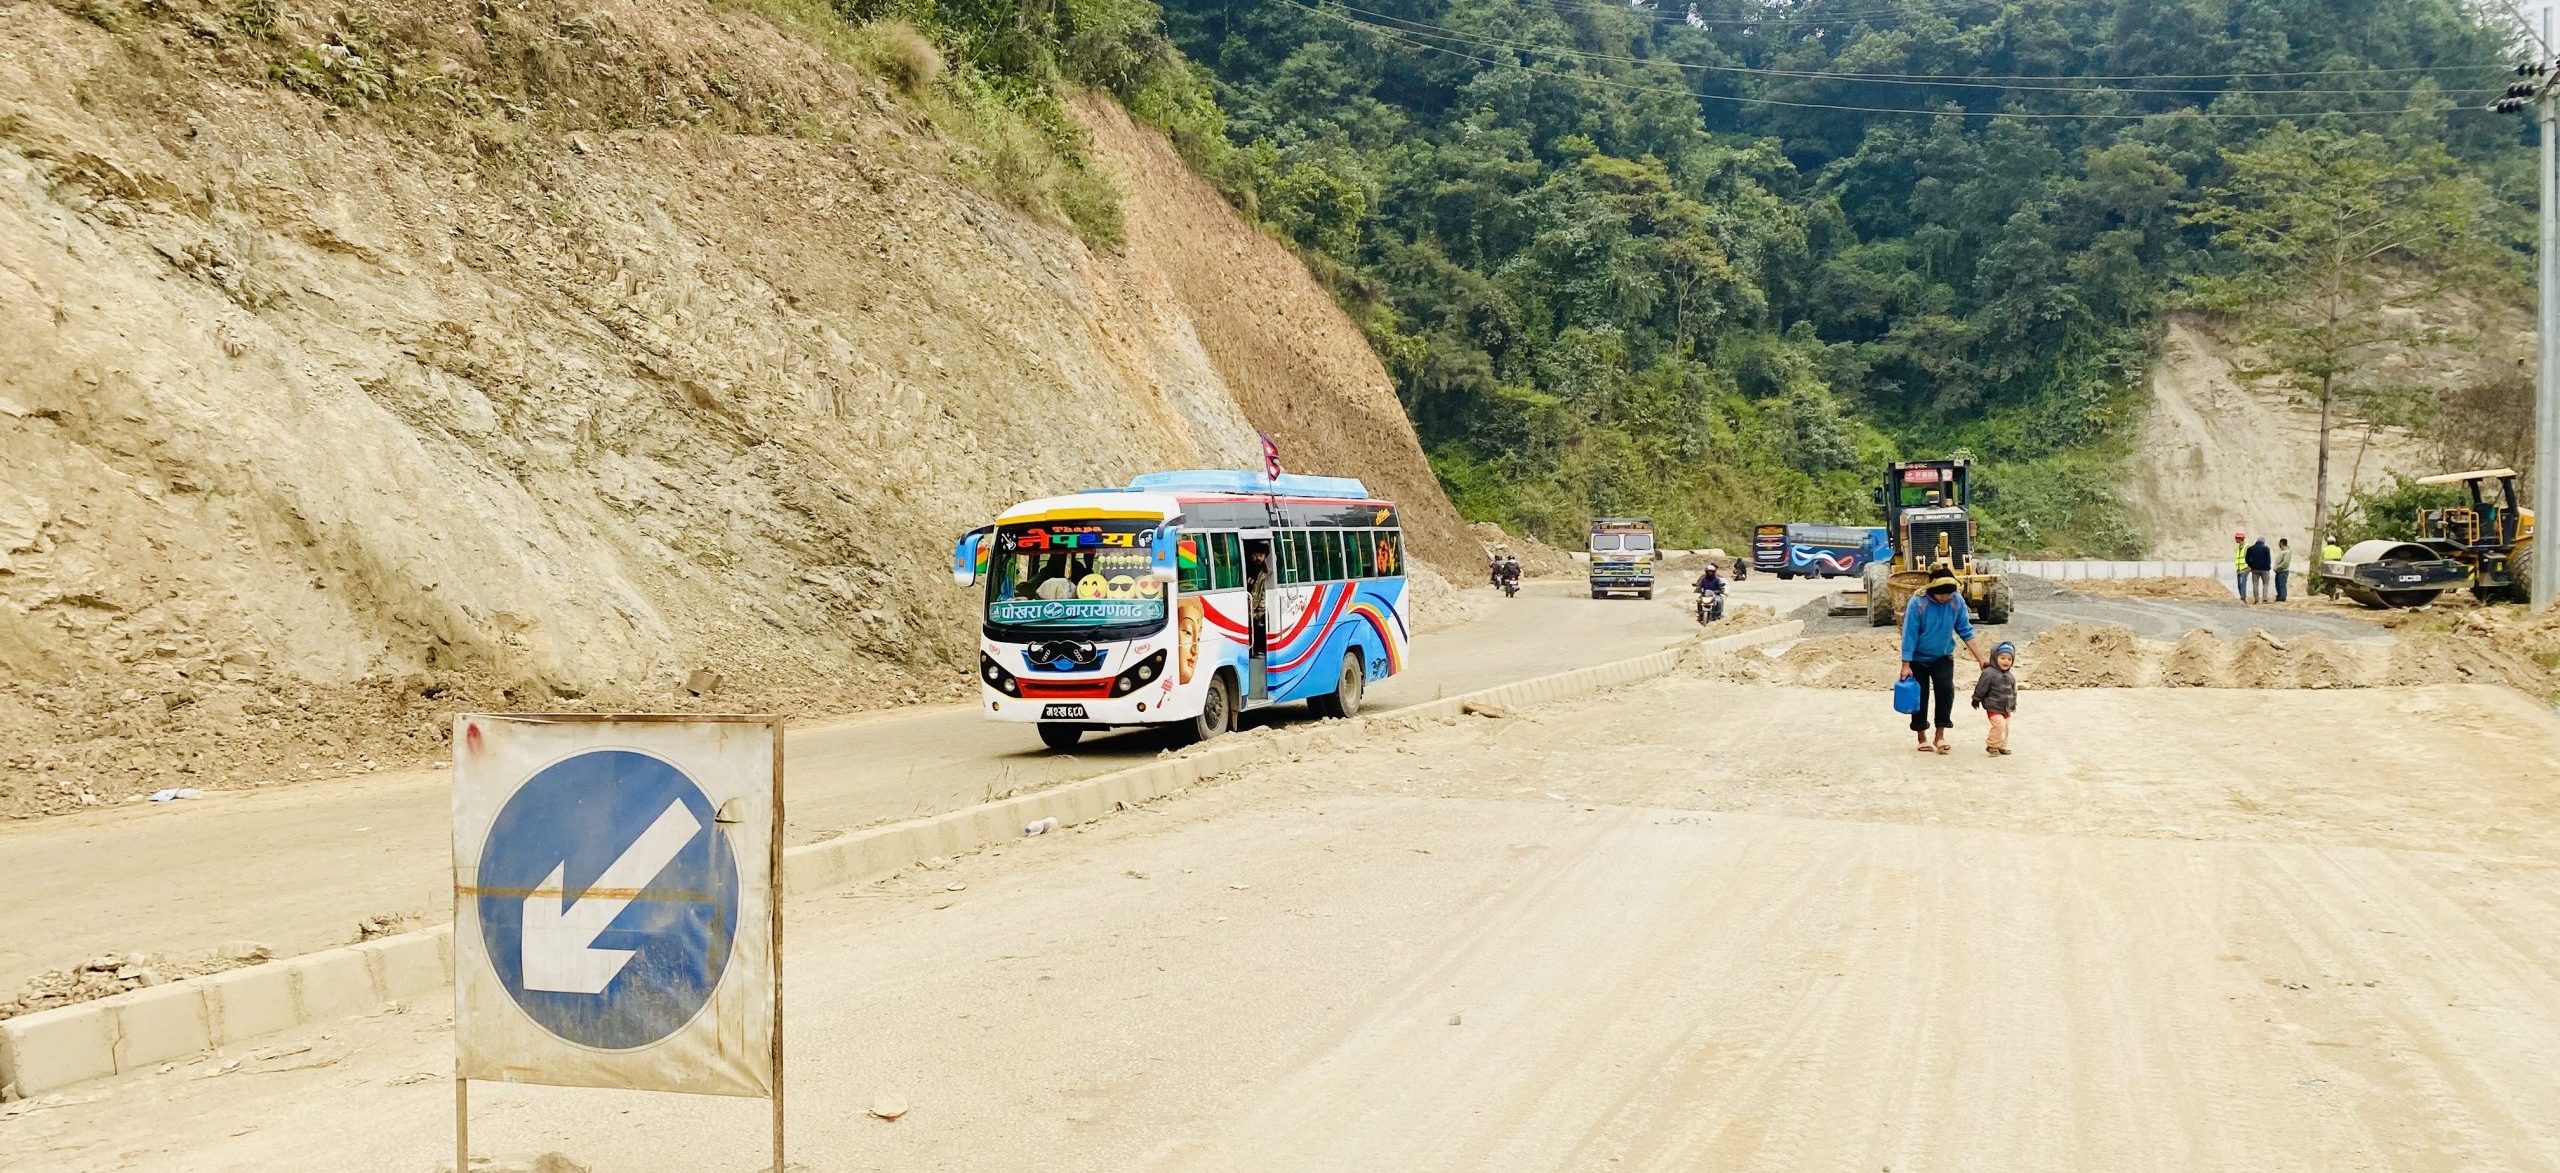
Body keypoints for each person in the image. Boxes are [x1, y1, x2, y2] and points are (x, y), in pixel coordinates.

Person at [1899, 566, 1983, 755]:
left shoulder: (1956, 601)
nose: (1945, 598)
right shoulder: (1918, 603)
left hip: (1942, 656)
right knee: (1919, 697)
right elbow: (1909, 634)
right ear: (1931, 590)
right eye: (1941, 595)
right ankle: (1921, 736)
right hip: (1918, 659)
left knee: (1945, 690)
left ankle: (1940, 735)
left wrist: (1981, 658)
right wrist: (1905, 664)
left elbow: (1965, 630)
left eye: (1948, 594)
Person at [1971, 640, 2019, 756]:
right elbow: (1981, 687)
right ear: (1995, 658)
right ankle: (1992, 746)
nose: (2006, 661)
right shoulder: (1989, 673)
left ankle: (2001, 746)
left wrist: (2013, 705)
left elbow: (2013, 692)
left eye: (2009, 659)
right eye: (2002, 658)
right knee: (1999, 726)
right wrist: (1976, 699)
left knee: (2006, 728)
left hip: (2006, 708)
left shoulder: (2010, 676)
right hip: (1993, 707)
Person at [2246, 537, 2273, 603]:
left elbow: (2247, 559)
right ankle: (2264, 599)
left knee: (2255, 584)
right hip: (2265, 569)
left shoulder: (2250, 548)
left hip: (2255, 569)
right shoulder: (2266, 548)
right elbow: (2268, 559)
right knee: (2265, 584)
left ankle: (2256, 600)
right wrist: (2268, 567)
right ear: (2263, 542)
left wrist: (2251, 565)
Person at [2274, 538, 2293, 602]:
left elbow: (2285, 563)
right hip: (2279, 571)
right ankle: (2279, 597)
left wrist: (2277, 568)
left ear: (2281, 543)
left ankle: (2282, 599)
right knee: (2278, 585)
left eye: (2279, 543)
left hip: (2283, 571)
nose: (2278, 544)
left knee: (2282, 585)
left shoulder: (2287, 552)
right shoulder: (2282, 551)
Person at [2232, 531, 2248, 600]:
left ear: (2240, 538)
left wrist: (2249, 567)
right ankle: (2242, 597)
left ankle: (2243, 599)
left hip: (2244, 569)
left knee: (2242, 584)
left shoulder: (2247, 547)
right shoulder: (2237, 548)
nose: (2235, 539)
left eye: (2236, 538)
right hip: (2239, 569)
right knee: (2239, 585)